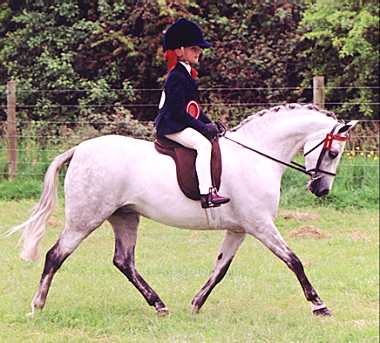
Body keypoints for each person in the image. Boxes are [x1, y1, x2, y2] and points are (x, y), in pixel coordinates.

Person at [155, 18, 230, 209]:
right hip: (171, 125)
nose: (199, 52)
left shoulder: (186, 73)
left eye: (199, 49)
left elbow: (193, 108)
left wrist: (210, 123)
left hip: (179, 121)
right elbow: (179, 112)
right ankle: (207, 193)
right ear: (180, 51)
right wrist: (203, 128)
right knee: (203, 145)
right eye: (194, 49)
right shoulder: (176, 76)